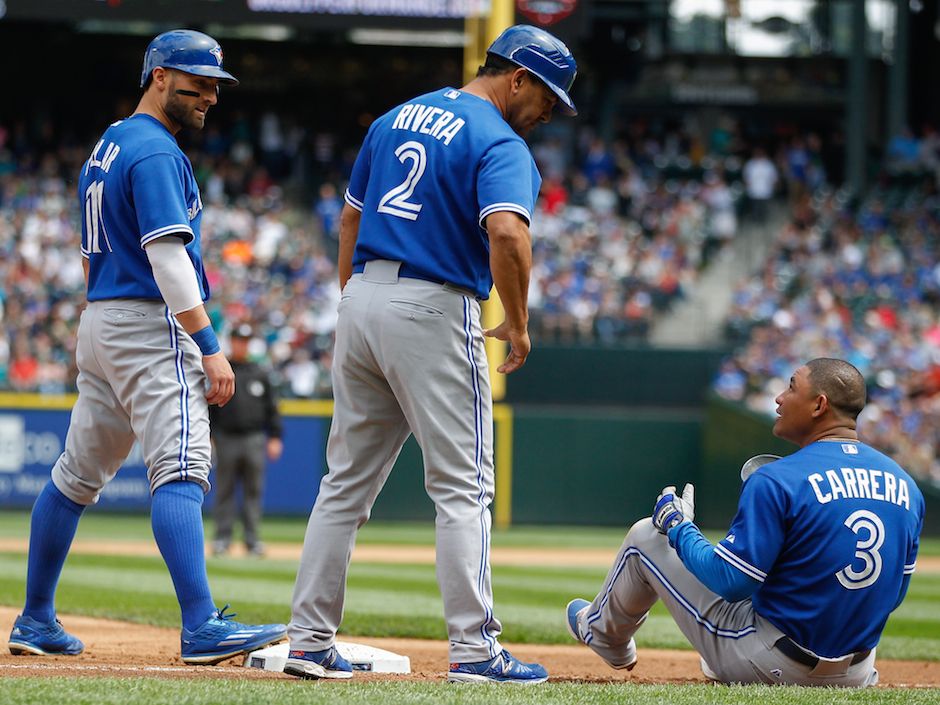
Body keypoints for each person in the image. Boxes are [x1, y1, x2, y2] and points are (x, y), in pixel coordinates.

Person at [285, 24, 577, 683]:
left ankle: (307, 640)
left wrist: (356, 298)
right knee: (464, 486)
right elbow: (506, 231)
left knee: (343, 487)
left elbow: (351, 217)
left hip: (363, 296)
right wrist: (520, 323)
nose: (550, 112)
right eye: (549, 97)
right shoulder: (499, 139)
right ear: (517, 77)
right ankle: (475, 649)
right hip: (434, 304)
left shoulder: (395, 117)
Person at [6, 30, 286, 664]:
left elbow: (92, 254)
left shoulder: (108, 144)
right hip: (148, 320)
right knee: (182, 464)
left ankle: (36, 617)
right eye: (197, 81)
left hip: (101, 317)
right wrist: (210, 345)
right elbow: (166, 254)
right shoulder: (155, 149)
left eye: (216, 84)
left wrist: (104, 317)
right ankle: (200, 625)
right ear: (158, 76)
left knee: (75, 476)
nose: (210, 95)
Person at [565, 358, 924, 687]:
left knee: (647, 536)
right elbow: (892, 598)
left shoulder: (778, 479)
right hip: (857, 672)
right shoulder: (908, 486)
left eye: (792, 387)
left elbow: (730, 581)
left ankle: (603, 635)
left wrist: (678, 526)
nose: (779, 399)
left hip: (773, 665)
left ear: (819, 405)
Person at [210, 324, 283, 557]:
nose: (242, 344)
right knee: (224, 490)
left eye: (245, 340)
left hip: (254, 438)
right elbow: (211, 408)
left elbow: (272, 408)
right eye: (238, 340)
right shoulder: (223, 371)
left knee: (253, 491)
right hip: (226, 437)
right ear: (231, 342)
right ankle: (222, 539)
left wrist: (275, 436)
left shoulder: (260, 372)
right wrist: (209, 436)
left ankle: (252, 540)